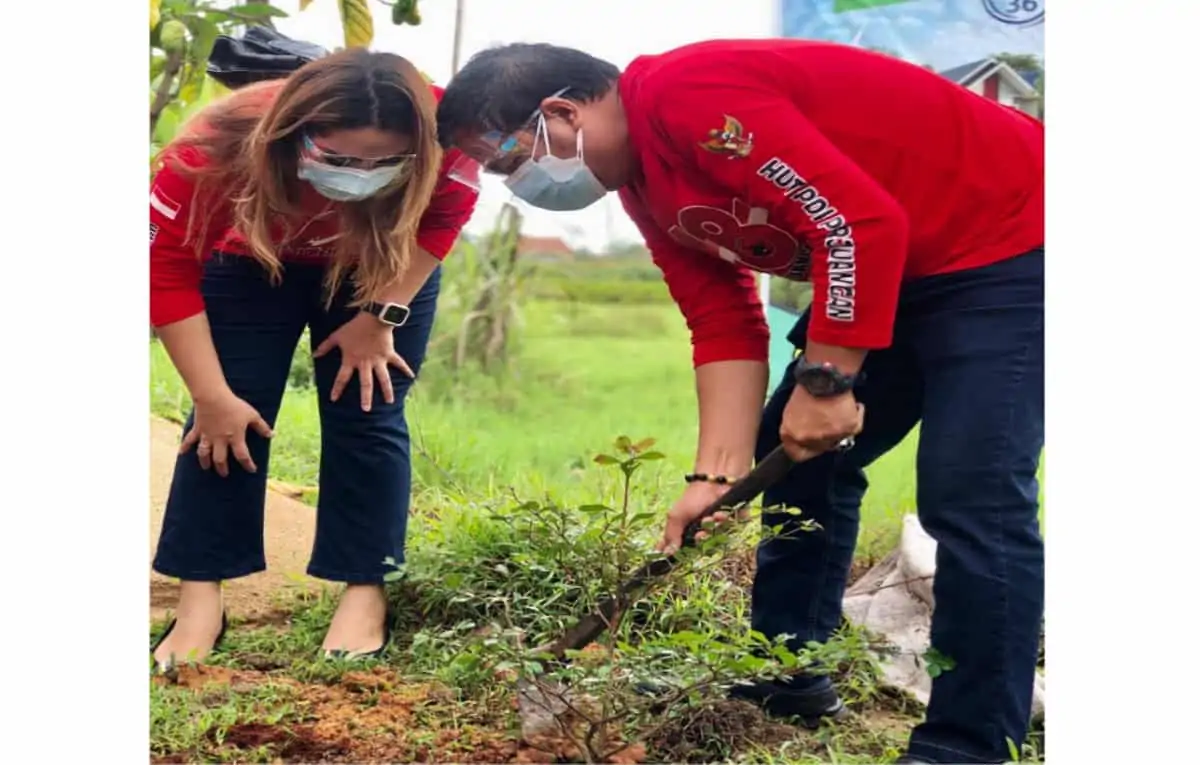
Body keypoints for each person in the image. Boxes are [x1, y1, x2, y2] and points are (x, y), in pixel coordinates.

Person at [435, 39, 1044, 765]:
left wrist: (829, 380)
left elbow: (856, 223)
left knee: (971, 492)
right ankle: (785, 674)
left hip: (1011, 241)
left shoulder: (688, 96)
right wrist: (713, 479)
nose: (515, 182)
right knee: (797, 464)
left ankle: (968, 743)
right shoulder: (643, 184)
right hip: (902, 268)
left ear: (560, 112)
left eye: (509, 160)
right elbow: (721, 318)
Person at [149, 47, 479, 669]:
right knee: (228, 416)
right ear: (295, 137)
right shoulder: (212, 150)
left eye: (384, 165)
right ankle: (200, 600)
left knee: (369, 406)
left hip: (380, 265)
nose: (361, 174)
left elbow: (445, 215)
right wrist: (210, 397)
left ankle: (364, 590)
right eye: (340, 159)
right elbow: (164, 271)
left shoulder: (446, 132)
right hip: (248, 259)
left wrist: (382, 316)